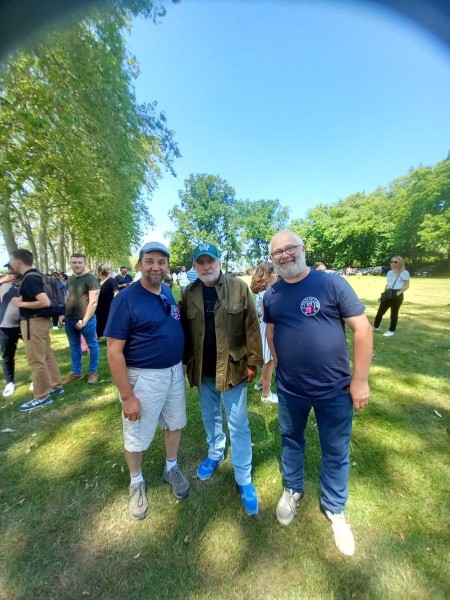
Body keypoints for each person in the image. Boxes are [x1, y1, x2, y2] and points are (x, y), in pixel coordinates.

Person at [264, 231, 372, 556]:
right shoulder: (271, 295)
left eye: (289, 249)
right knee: (291, 441)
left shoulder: (331, 284)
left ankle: (335, 510)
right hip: (290, 389)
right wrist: (280, 361)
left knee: (336, 451)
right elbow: (271, 330)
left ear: (302, 249)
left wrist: (361, 380)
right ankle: (293, 490)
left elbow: (363, 329)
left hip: (334, 390)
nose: (283, 256)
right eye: (277, 252)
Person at [105, 241, 189, 520]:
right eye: (149, 261)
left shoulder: (165, 290)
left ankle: (171, 467)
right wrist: (128, 396)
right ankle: (136, 482)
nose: (156, 267)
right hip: (143, 378)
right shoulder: (125, 300)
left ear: (167, 266)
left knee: (175, 423)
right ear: (139, 264)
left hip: (174, 372)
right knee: (137, 435)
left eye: (161, 262)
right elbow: (114, 350)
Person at [180, 242, 263, 516]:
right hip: (203, 369)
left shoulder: (239, 287)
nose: (206, 266)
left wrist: (253, 362)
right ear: (195, 267)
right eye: (201, 262)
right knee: (209, 416)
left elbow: (252, 326)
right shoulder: (188, 293)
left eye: (210, 261)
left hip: (234, 369)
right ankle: (215, 453)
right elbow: (183, 331)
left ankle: (244, 477)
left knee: (238, 424)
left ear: (219, 262)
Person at [9, 249, 64, 412]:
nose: (11, 264)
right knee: (47, 356)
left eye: (12, 260)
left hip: (33, 323)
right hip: (41, 321)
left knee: (36, 360)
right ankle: (56, 386)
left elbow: (44, 301)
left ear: (19, 261)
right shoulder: (35, 276)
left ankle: (42, 396)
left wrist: (21, 304)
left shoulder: (29, 279)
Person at [59, 253, 100, 385]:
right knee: (74, 347)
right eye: (74, 262)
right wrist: (61, 314)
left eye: (79, 262)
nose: (76, 265)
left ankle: (93, 372)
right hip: (69, 319)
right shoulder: (70, 280)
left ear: (85, 263)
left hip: (86, 320)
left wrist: (84, 320)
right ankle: (77, 373)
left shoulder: (92, 279)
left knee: (92, 346)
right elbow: (68, 299)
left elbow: (93, 302)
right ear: (70, 263)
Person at [250, 261, 278, 403]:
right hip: (267, 329)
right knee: (269, 362)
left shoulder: (263, 291)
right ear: (267, 276)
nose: (276, 275)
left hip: (263, 327)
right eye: (273, 273)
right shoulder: (266, 293)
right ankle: (266, 395)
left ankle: (260, 383)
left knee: (268, 360)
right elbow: (268, 316)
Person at [373, 256, 410, 337]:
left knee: (393, 313)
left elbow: (406, 286)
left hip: (397, 294)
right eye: (392, 262)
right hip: (388, 293)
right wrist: (385, 292)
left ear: (400, 263)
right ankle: (375, 327)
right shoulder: (389, 272)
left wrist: (398, 293)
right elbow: (388, 283)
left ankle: (391, 331)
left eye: (395, 262)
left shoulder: (404, 273)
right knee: (380, 312)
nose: (393, 263)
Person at [0, 263, 21, 398]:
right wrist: (1, 281)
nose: (11, 271)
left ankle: (36, 380)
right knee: (7, 355)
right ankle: (10, 382)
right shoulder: (2, 285)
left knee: (35, 354)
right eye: (9, 268)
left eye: (13, 268)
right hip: (5, 326)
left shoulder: (27, 283)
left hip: (26, 324)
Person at [95, 266, 119, 338]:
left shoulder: (111, 281)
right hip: (98, 306)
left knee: (108, 322)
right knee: (98, 321)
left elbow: (116, 292)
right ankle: (98, 336)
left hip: (108, 306)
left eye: (97, 272)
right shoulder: (97, 281)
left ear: (100, 272)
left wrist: (115, 304)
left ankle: (110, 338)